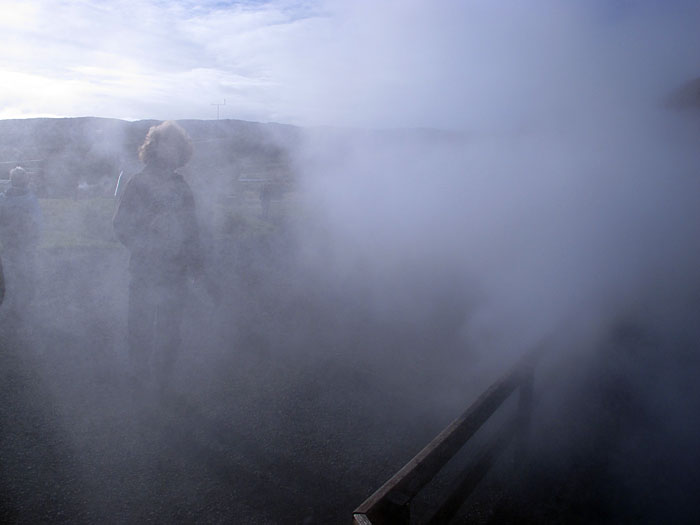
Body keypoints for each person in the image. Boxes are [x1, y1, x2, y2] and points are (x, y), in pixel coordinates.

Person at [113, 121, 202, 392]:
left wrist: (196, 264)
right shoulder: (137, 183)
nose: (171, 151)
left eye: (177, 146)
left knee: (170, 330)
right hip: (145, 268)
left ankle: (164, 383)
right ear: (153, 148)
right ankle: (138, 380)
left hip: (176, 270)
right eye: (166, 144)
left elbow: (193, 232)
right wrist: (147, 233)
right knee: (139, 326)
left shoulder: (181, 186)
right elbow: (120, 225)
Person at [0, 166, 42, 314]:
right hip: (25, 242)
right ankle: (23, 303)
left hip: (8, 242)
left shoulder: (3, 199)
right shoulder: (30, 200)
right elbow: (36, 223)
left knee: (10, 271)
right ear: (25, 181)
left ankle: (12, 300)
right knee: (24, 272)